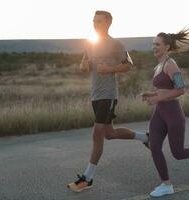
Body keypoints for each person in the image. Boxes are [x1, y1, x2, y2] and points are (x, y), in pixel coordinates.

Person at [67, 10, 148, 192]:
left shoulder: (116, 44)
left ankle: (87, 178)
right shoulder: (90, 43)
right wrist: (83, 66)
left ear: (108, 23)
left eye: (99, 22)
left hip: (109, 94)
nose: (95, 24)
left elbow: (129, 65)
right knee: (109, 133)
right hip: (95, 95)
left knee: (97, 134)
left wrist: (111, 69)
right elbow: (83, 64)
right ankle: (146, 137)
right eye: (94, 21)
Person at [141, 28, 189, 198]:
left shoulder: (171, 64)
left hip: (173, 114)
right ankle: (166, 184)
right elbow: (164, 90)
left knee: (178, 153)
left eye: (157, 44)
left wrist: (158, 99)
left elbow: (181, 89)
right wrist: (153, 95)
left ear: (167, 47)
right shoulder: (158, 66)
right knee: (154, 147)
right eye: (152, 44)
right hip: (159, 113)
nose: (153, 47)